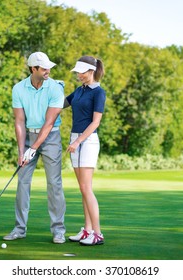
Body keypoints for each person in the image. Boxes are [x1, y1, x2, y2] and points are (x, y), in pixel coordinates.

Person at [4, 51, 66, 244]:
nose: (48, 70)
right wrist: (22, 150)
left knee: (54, 184)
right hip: (29, 135)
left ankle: (58, 231)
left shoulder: (55, 88)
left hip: (51, 137)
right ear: (33, 69)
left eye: (49, 67)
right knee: (22, 182)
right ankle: (19, 229)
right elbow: (19, 121)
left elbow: (49, 123)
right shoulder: (18, 89)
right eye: (44, 68)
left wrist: (34, 147)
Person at [65, 56, 106, 246]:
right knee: (83, 189)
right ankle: (87, 230)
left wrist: (79, 141)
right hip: (76, 139)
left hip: (87, 141)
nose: (79, 75)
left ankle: (97, 233)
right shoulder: (79, 91)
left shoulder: (99, 92)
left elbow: (95, 122)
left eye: (82, 72)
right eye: (78, 72)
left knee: (87, 188)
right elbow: (62, 104)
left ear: (91, 71)